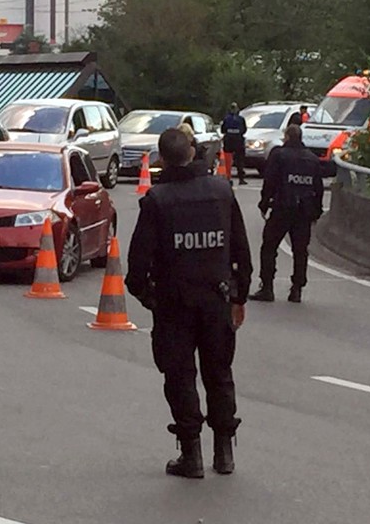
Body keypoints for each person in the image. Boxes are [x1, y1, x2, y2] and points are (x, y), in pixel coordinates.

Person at [126, 128, 253, 478]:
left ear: (161, 159)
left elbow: (137, 265)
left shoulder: (157, 200)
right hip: (217, 300)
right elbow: (241, 249)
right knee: (219, 373)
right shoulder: (221, 191)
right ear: (193, 153)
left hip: (175, 304)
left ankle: (191, 455)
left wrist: (151, 299)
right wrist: (239, 296)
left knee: (180, 377)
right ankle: (224, 452)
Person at [249, 124, 323, 304]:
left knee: (269, 246)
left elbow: (270, 181)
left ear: (287, 137)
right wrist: (316, 211)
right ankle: (297, 289)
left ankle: (267, 287)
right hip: (303, 210)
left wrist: (264, 203)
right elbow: (318, 187)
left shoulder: (279, 155)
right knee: (300, 250)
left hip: (283, 207)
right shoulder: (312, 159)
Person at [220, 102, 247, 185]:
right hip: (238, 141)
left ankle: (228, 178)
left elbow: (222, 130)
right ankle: (241, 178)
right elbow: (244, 130)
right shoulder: (241, 119)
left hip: (228, 141)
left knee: (228, 161)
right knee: (240, 161)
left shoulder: (226, 119)